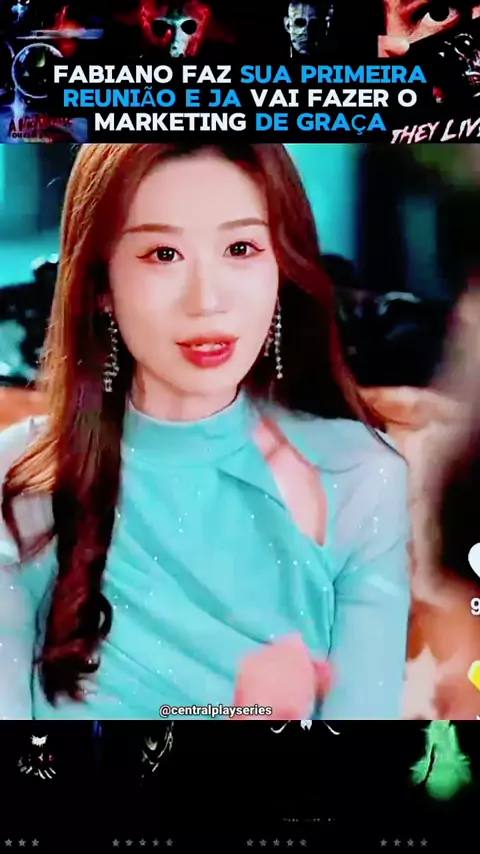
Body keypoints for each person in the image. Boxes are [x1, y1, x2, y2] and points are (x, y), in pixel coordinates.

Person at [0, 142, 411, 720]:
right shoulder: (19, 481)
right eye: (163, 254)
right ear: (101, 287)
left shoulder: (361, 477)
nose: (207, 301)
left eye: (240, 248)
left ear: (282, 268)